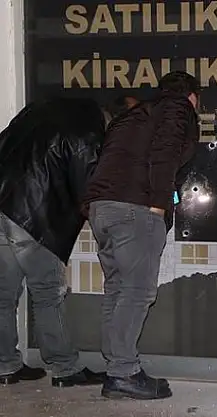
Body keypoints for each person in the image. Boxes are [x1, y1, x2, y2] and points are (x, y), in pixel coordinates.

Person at [82, 71, 201, 400]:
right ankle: (124, 373)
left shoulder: (133, 115)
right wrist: (159, 205)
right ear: (192, 96)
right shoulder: (177, 108)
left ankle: (116, 367)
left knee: (117, 289)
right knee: (137, 292)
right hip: (135, 207)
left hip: (102, 207)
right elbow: (165, 153)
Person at [0, 97, 116, 387]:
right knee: (47, 292)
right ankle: (64, 367)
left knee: (3, 294)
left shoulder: (33, 114)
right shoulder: (86, 131)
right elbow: (89, 187)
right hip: (35, 216)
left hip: (2, 204)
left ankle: (5, 365)